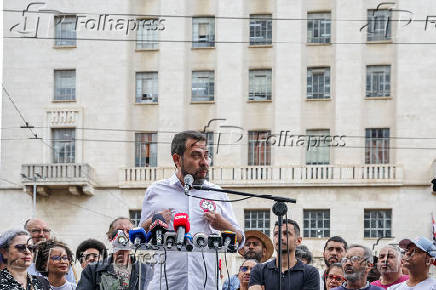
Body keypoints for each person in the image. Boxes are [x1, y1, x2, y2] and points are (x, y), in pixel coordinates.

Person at [140, 130, 244, 289]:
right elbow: (140, 239)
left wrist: (224, 225)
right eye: (196, 156)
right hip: (164, 285)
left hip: (206, 285)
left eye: (206, 156)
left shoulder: (217, 192)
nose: (204, 162)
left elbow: (240, 241)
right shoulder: (156, 191)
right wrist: (153, 221)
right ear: (177, 159)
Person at [77, 217, 153, 290]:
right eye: (120, 231)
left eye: (128, 231)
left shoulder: (145, 270)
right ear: (110, 237)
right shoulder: (92, 270)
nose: (124, 235)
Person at [248, 219, 320, 290]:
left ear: (298, 241)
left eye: (286, 234)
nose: (280, 237)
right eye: (276, 234)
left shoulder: (310, 272)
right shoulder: (259, 270)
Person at [25, 218, 77, 283]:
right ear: (25, 234)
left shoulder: (62, 259)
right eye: (36, 230)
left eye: (45, 230)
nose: (41, 234)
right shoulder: (20, 259)